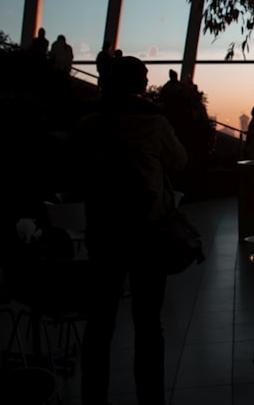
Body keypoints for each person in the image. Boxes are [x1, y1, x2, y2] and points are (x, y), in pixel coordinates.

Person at [75, 55, 187, 405]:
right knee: (149, 324)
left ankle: (94, 396)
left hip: (105, 232)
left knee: (100, 324)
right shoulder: (155, 126)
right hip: (148, 233)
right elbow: (180, 162)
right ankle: (150, 398)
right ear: (140, 85)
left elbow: (73, 166)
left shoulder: (90, 125)